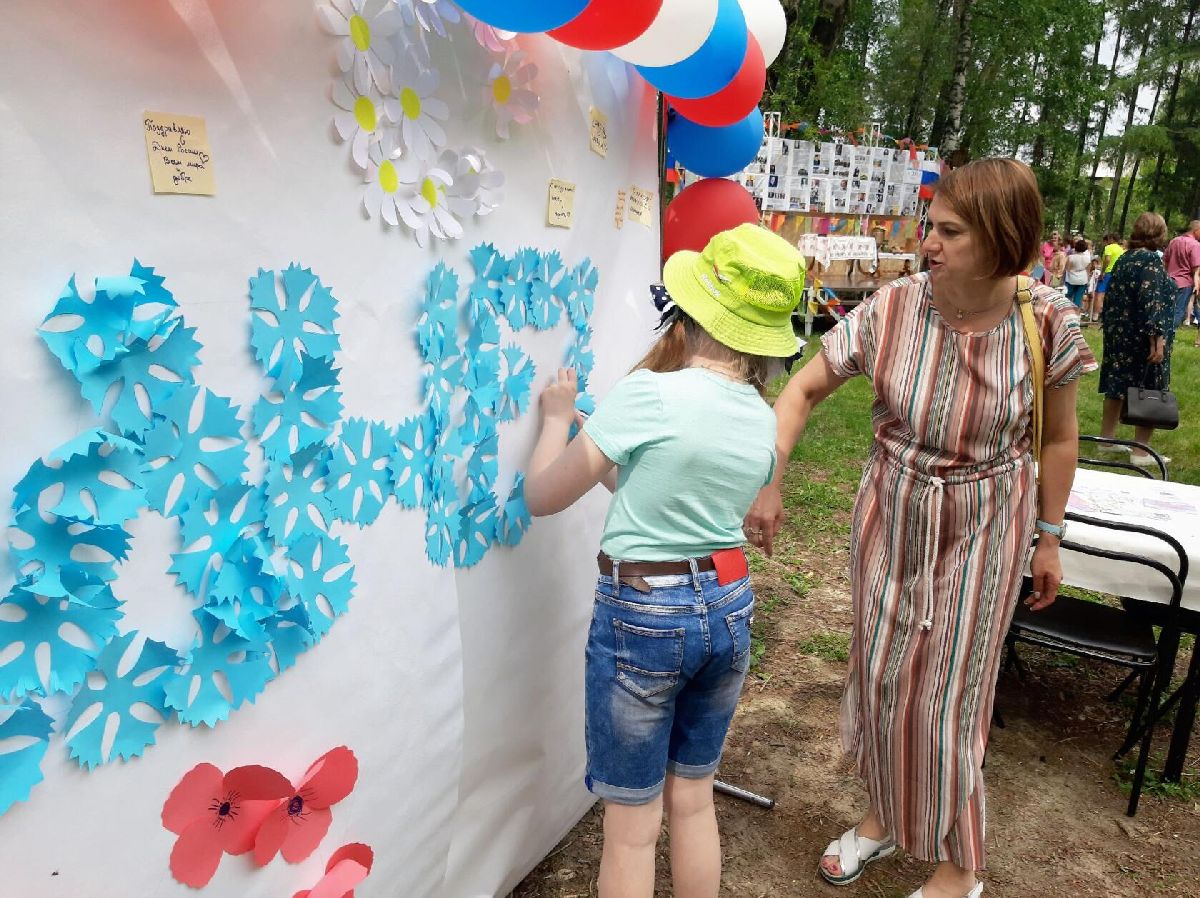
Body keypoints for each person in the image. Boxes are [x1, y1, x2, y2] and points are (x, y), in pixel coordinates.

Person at [745, 158, 1096, 898]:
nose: (926, 242)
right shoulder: (895, 306)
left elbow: (1059, 438)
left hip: (985, 520)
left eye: (948, 231)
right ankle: (883, 818)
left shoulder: (1047, 322)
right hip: (891, 512)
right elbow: (804, 388)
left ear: (1002, 237)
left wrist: (1051, 534)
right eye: (929, 226)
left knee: (949, 697)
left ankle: (959, 867)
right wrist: (770, 478)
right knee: (879, 674)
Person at [524, 224, 806, 898]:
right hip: (728, 608)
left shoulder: (647, 395)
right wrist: (604, 441)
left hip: (645, 615)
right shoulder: (760, 418)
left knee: (631, 822)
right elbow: (651, 492)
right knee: (693, 797)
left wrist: (556, 422)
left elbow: (540, 496)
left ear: (687, 313)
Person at [1098, 211, 1175, 466]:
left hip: (1119, 334)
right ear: (1159, 233)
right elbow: (1151, 301)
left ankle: (1106, 440)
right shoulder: (1151, 261)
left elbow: (1112, 296)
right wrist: (1157, 340)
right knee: (1150, 388)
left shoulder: (1125, 258)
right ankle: (1141, 452)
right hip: (1142, 338)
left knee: (1116, 386)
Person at [1162, 219, 1200, 331]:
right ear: (1196, 230)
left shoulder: (1174, 241)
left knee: (1166, 310)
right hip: (1184, 283)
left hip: (1169, 280)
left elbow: (1165, 261)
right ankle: (1167, 337)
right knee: (1178, 311)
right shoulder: (1195, 245)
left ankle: (1160, 336)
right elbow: (1196, 270)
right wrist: (1197, 286)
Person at [1094, 231, 1126, 321]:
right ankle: (1108, 314)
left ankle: (1096, 314)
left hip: (1108, 272)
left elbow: (1107, 259)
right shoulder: (1121, 249)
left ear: (1112, 239)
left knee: (1099, 293)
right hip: (1117, 273)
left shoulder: (1108, 247)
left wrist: (1103, 271)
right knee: (1111, 294)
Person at [1064, 237, 1091, 308]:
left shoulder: (1071, 257)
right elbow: (1088, 271)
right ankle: (1076, 314)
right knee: (1078, 299)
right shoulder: (1088, 259)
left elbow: (1067, 269)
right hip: (1083, 280)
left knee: (1067, 297)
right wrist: (1088, 281)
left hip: (1071, 279)